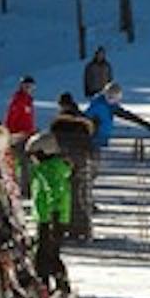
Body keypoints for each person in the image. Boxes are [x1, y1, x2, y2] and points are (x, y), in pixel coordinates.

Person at [28, 131, 75, 298]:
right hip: (47, 217)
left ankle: (50, 287)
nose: (32, 160)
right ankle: (56, 286)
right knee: (47, 254)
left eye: (34, 156)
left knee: (45, 255)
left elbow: (55, 194)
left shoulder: (49, 170)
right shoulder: (47, 168)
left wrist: (53, 216)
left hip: (50, 219)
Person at [49, 94, 97, 240]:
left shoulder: (58, 122)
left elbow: (53, 142)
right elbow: (90, 139)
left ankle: (64, 226)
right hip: (82, 160)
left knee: (64, 195)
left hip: (64, 161)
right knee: (81, 194)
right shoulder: (83, 120)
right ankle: (82, 227)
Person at [7, 76, 38, 195]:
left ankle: (26, 186)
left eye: (31, 87)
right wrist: (12, 133)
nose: (29, 89)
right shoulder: (18, 100)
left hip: (27, 134)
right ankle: (23, 188)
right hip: (19, 135)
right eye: (27, 86)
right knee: (22, 162)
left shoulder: (28, 100)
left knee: (27, 162)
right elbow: (11, 118)